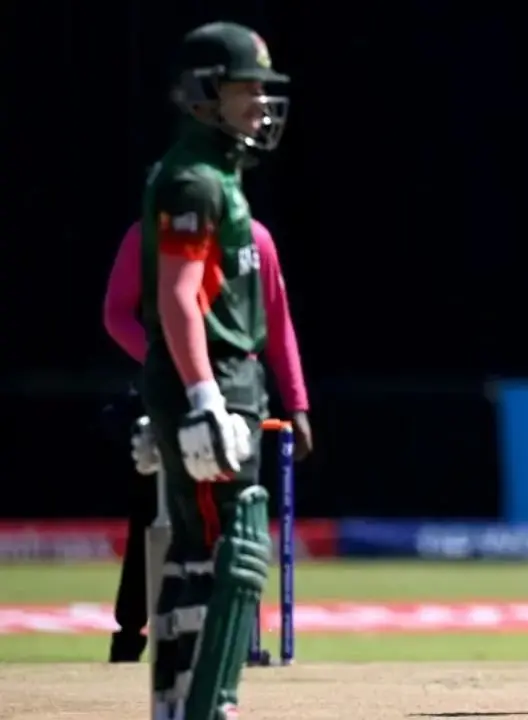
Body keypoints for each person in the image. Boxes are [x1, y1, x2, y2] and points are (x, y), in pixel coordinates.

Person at [138, 21, 295, 719]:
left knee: (205, 552)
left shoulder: (215, 177)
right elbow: (175, 296)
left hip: (226, 387)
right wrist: (199, 397)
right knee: (224, 553)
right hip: (216, 389)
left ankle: (180, 705)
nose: (261, 103)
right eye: (246, 88)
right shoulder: (194, 180)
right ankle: (204, 708)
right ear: (204, 94)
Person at [102, 217, 312, 663]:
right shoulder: (150, 233)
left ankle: (230, 643)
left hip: (239, 392)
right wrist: (170, 365)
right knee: (155, 516)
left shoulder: (257, 237)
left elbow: (276, 319)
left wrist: (297, 402)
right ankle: (130, 642)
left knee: (233, 516)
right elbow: (118, 314)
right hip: (170, 394)